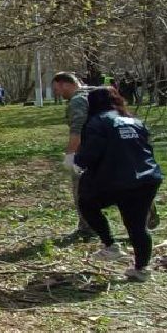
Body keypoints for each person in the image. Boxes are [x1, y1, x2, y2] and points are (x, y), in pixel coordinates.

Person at [73, 86, 164, 281]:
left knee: (87, 203)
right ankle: (142, 269)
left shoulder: (97, 122)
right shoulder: (135, 121)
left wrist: (77, 160)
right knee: (137, 226)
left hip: (118, 179)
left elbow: (89, 155)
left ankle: (110, 245)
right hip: (148, 177)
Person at [50, 72, 98, 238]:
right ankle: (146, 213)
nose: (57, 93)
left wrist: (70, 156)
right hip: (116, 148)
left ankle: (87, 226)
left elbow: (77, 131)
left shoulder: (77, 101)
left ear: (65, 84)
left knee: (81, 188)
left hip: (89, 152)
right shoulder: (100, 93)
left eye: (57, 89)